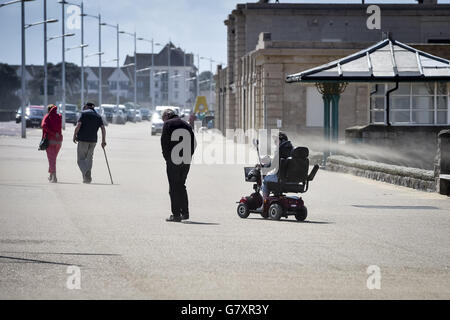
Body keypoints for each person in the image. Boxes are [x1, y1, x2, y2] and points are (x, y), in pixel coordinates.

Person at [161, 109, 196, 222]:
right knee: (181, 185)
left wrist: (167, 158)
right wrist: (189, 155)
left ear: (167, 116)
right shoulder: (186, 124)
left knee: (173, 187)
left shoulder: (167, 124)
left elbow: (164, 142)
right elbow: (194, 143)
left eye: (163, 119)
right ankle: (185, 213)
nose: (163, 121)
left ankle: (176, 215)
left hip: (173, 160)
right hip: (186, 160)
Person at [73, 102, 106, 183]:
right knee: (89, 159)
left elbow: (78, 125)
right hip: (93, 141)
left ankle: (86, 173)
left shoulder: (83, 114)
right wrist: (103, 140)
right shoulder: (98, 116)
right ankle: (86, 178)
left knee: (80, 159)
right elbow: (103, 129)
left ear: (87, 107)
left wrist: (74, 135)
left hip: (83, 140)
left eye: (85, 106)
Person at [261, 132, 293, 197]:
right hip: (294, 180)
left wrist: (263, 168)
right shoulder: (293, 150)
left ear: (281, 140)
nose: (275, 143)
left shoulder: (280, 150)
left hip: (281, 179)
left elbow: (273, 166)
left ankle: (264, 204)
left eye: (276, 141)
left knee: (266, 180)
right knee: (273, 177)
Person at [41, 104, 63, 183]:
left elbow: (43, 125)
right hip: (59, 141)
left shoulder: (47, 117)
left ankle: (54, 176)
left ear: (48, 110)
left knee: (51, 159)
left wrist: (52, 133)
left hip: (50, 140)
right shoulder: (59, 116)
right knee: (53, 159)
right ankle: (51, 175)